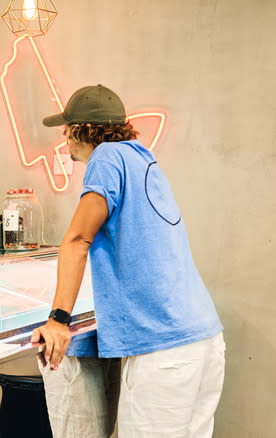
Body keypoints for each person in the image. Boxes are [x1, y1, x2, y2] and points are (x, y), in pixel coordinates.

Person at [30, 85, 224, 437]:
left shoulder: (106, 157)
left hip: (163, 349)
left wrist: (58, 319)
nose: (65, 140)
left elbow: (77, 239)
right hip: (203, 338)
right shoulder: (142, 158)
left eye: (66, 130)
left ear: (79, 130)